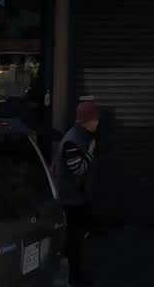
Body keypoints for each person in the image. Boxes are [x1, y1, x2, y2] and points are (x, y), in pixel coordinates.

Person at [53, 100, 100, 287]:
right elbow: (78, 169)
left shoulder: (79, 136)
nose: (97, 122)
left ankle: (75, 277)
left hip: (75, 197)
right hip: (70, 199)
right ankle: (73, 279)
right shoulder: (73, 140)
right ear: (87, 120)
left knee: (75, 240)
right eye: (95, 118)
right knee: (73, 242)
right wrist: (90, 152)